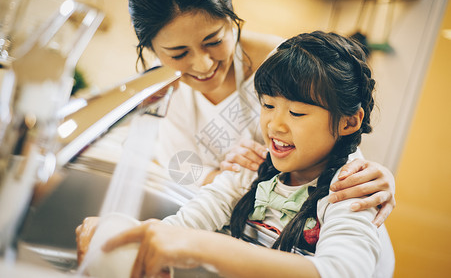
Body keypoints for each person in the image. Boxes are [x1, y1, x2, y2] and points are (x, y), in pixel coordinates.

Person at [99, 31, 395, 278]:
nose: (275, 124)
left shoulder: (350, 192)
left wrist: (202, 247)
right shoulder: (255, 167)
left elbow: (341, 271)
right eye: (267, 106)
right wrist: (120, 236)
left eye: (296, 112)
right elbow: (190, 219)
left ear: (349, 122)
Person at [125, 0, 395, 224]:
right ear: (152, 50)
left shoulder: (281, 64)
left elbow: (338, 138)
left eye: (214, 41)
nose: (203, 63)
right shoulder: (164, 94)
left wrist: (370, 176)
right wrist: (227, 177)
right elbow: (180, 166)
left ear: (231, 19)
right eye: (179, 53)